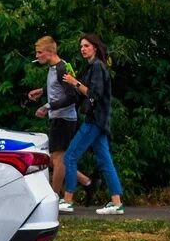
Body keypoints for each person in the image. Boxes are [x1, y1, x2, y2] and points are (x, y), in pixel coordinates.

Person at [60, 33, 125, 215]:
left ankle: (68, 200)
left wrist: (76, 82)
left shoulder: (97, 67)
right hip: (100, 121)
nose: (83, 49)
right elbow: (86, 91)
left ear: (95, 48)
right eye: (81, 46)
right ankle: (116, 202)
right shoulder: (92, 67)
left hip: (94, 120)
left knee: (70, 156)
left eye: (86, 46)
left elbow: (94, 94)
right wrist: (75, 83)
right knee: (105, 161)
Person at [26, 35, 91, 198]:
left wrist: (47, 106)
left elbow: (72, 97)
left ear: (49, 52)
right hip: (58, 118)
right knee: (55, 158)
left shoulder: (62, 68)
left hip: (64, 119)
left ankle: (52, 198)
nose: (37, 56)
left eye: (39, 52)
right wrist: (42, 91)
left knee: (58, 159)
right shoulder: (53, 68)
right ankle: (88, 183)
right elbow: (58, 89)